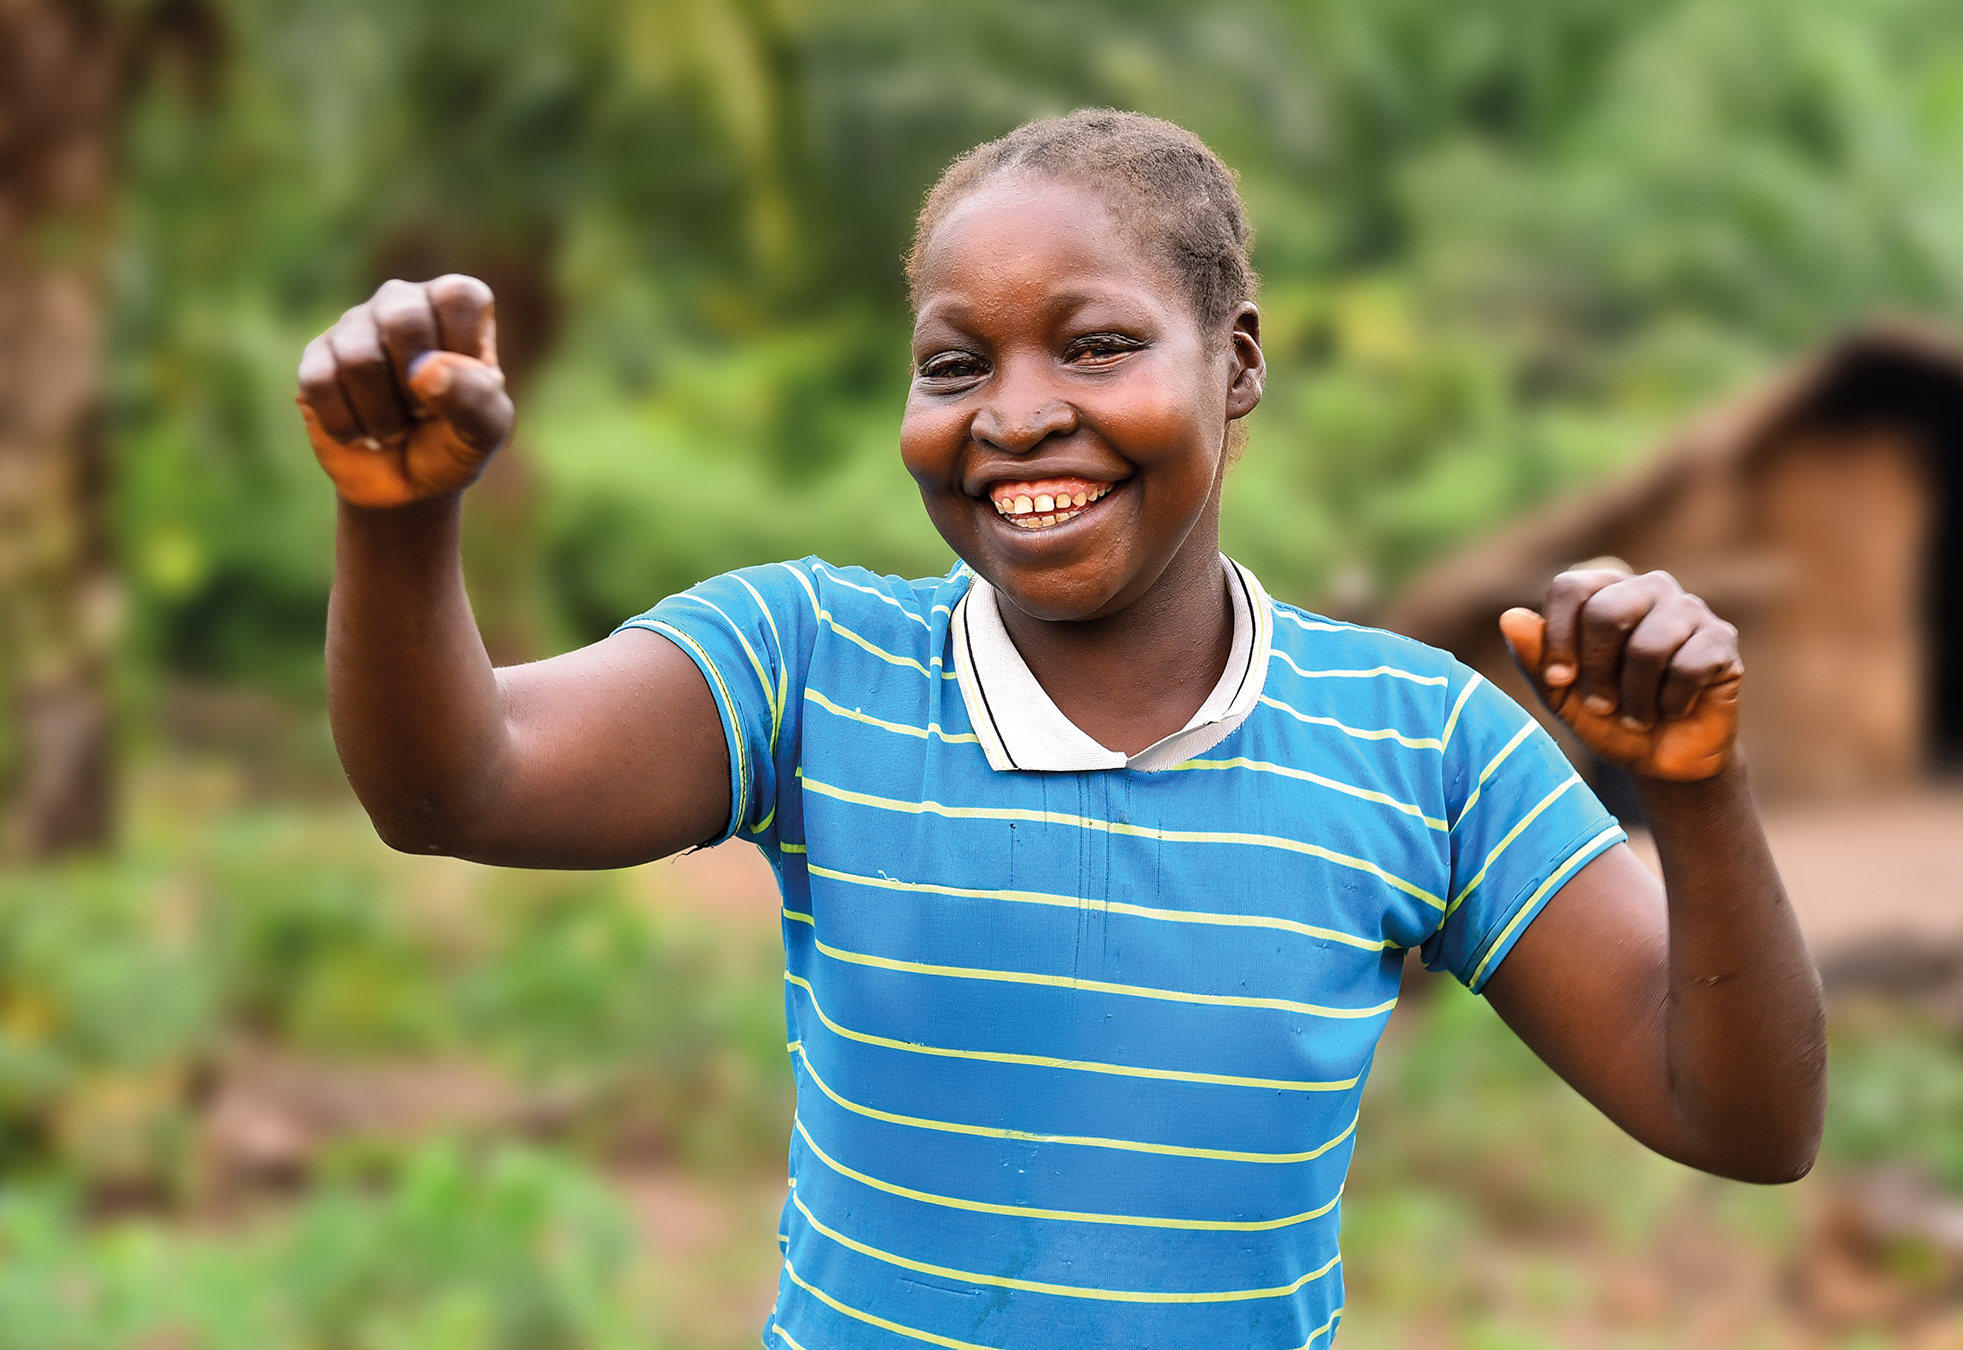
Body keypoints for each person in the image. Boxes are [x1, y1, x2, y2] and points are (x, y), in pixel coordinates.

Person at [295, 110, 1824, 1350]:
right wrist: (396, 519)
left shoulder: (1420, 740)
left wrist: (1697, 797)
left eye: (1094, 346)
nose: (1015, 412)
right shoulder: (810, 663)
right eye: (956, 363)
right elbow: (458, 782)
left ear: (1234, 366)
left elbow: (1743, 1117)